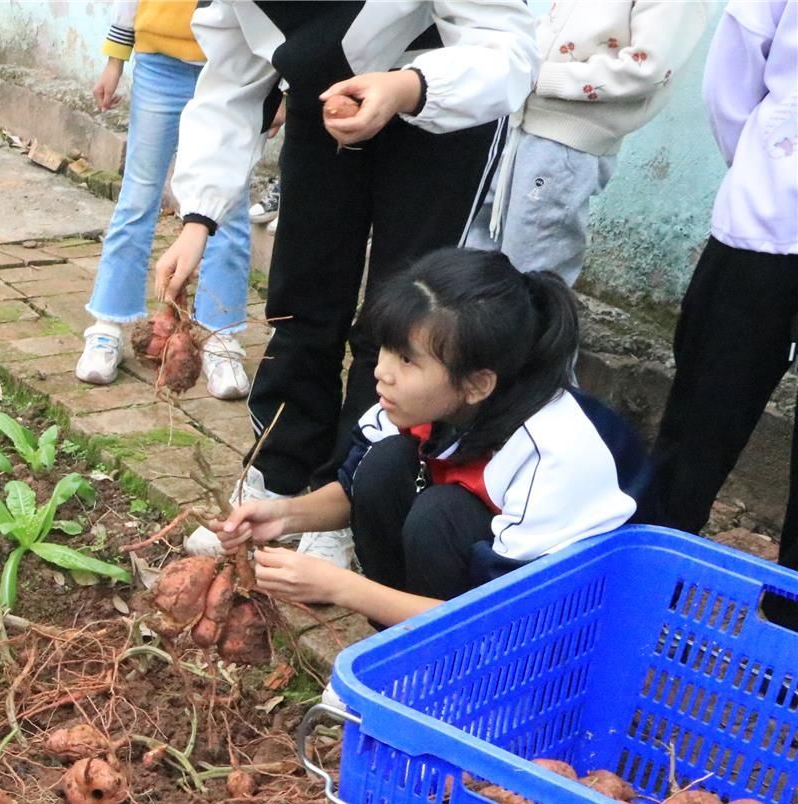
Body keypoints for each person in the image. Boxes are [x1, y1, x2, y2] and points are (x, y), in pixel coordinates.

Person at [157, 0, 537, 569]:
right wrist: (198, 217)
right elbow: (232, 82)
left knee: (400, 321)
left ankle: (348, 495)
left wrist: (408, 87)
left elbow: (505, 46)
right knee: (299, 302)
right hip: (324, 97)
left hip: (439, 103)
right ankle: (277, 474)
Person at [216, 248, 637, 628]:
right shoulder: (419, 402)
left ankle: (447, 676)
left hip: (575, 626)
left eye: (406, 360)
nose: (382, 371)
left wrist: (340, 588)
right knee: (383, 468)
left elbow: (502, 615)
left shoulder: (551, 453)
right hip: (498, 597)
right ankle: (401, 654)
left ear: (477, 384)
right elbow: (352, 490)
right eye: (385, 347)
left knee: (440, 514)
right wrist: (284, 516)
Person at [641, 0, 798, 564]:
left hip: (767, 209)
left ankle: (788, 622)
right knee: (702, 419)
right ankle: (654, 572)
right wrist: (763, 171)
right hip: (764, 226)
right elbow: (731, 79)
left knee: (701, 418)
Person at [75, 0, 254, 399]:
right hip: (160, 64)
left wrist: (278, 87)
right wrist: (114, 60)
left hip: (233, 67)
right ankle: (106, 327)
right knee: (138, 197)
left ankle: (221, 339)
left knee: (231, 207)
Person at [466, 1, 711, 284]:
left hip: (565, 145)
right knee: (476, 254)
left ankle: (528, 328)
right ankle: (474, 327)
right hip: (519, 124)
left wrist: (540, 77)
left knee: (532, 270)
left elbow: (647, 70)